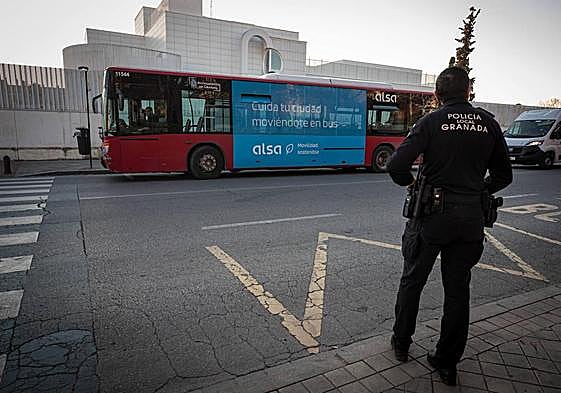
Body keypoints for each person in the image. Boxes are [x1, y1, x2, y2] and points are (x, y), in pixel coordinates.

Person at [386, 66, 512, 386]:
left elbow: (397, 165)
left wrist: (412, 184)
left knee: (413, 280)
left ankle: (401, 344)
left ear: (437, 95)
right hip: (470, 220)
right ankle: (446, 363)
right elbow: (504, 176)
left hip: (431, 217)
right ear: (468, 91)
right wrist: (478, 190)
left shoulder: (430, 122)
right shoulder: (489, 124)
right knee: (458, 291)